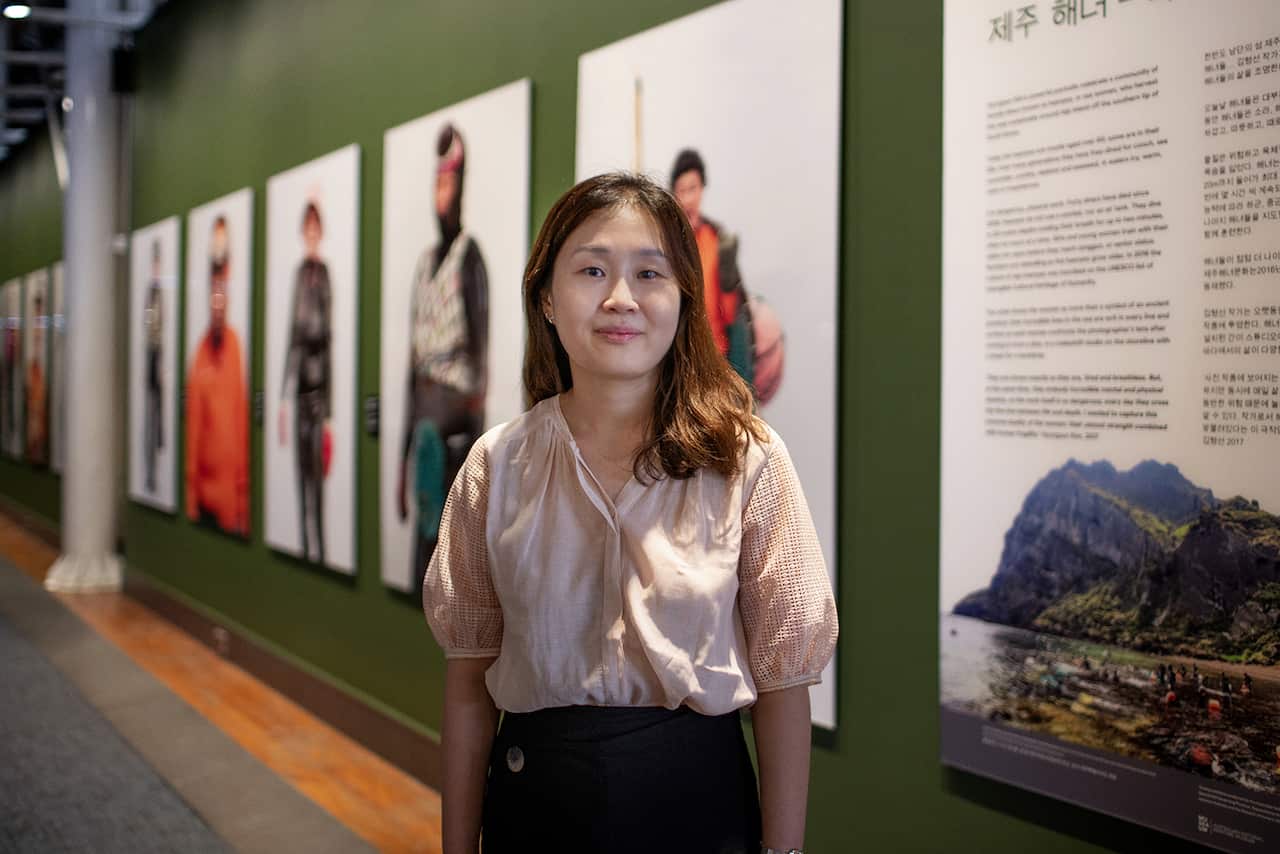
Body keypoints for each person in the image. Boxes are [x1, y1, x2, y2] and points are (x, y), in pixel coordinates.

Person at [424, 172, 838, 854]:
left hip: (701, 812)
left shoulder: (748, 463)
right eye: (592, 269)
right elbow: (470, 680)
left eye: (650, 272)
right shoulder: (496, 469)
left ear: (681, 299)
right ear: (548, 299)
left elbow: (784, 685)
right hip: (536, 811)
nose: (621, 298)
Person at [397, 123, 489, 596]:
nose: (441, 194)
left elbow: (482, 360)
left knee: (449, 562)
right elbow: (411, 369)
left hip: (454, 420)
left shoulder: (468, 259)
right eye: (436, 182)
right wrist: (400, 460)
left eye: (448, 183)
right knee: (422, 559)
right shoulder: (424, 265)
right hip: (426, 418)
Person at [185, 216, 250, 536]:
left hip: (228, 498)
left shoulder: (235, 346)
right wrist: (191, 494)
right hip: (206, 496)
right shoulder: (200, 353)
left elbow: (239, 419)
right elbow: (195, 422)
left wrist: (241, 499)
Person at [279, 201, 332, 564]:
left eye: (316, 228)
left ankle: (320, 549)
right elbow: (291, 337)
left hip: (318, 392)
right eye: (307, 228)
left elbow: (327, 341)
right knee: (301, 477)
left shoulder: (323, 274)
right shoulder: (299, 274)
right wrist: (283, 395)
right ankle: (304, 544)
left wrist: (329, 410)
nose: (311, 235)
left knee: (317, 477)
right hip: (299, 391)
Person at [143, 241, 165, 492]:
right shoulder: (151, 294)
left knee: (158, 422)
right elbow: (149, 331)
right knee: (151, 419)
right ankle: (150, 474)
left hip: (158, 361)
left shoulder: (160, 293)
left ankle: (154, 474)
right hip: (152, 361)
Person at [25, 290, 48, 465]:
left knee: (37, 413)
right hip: (35, 371)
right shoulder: (36, 328)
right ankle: (35, 450)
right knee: (34, 413)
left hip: (38, 372)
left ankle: (37, 450)